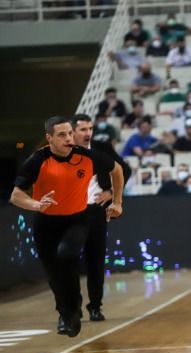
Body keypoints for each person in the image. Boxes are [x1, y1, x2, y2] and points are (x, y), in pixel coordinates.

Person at [10, 116, 124, 337]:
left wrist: (117, 202)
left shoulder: (87, 156)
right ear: (49, 138)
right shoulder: (38, 160)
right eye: (62, 135)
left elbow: (117, 170)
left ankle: (72, 311)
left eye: (70, 133)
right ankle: (67, 315)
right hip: (45, 223)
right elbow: (16, 195)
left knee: (67, 254)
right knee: (54, 274)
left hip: (77, 219)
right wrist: (36, 204)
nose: (68, 139)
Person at [70, 114, 130, 322]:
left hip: (96, 210)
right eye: (83, 129)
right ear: (72, 131)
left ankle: (95, 306)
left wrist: (111, 193)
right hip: (70, 213)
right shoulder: (63, 152)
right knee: (69, 260)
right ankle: (73, 307)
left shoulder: (101, 148)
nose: (88, 133)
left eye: (90, 129)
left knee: (95, 260)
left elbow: (124, 170)